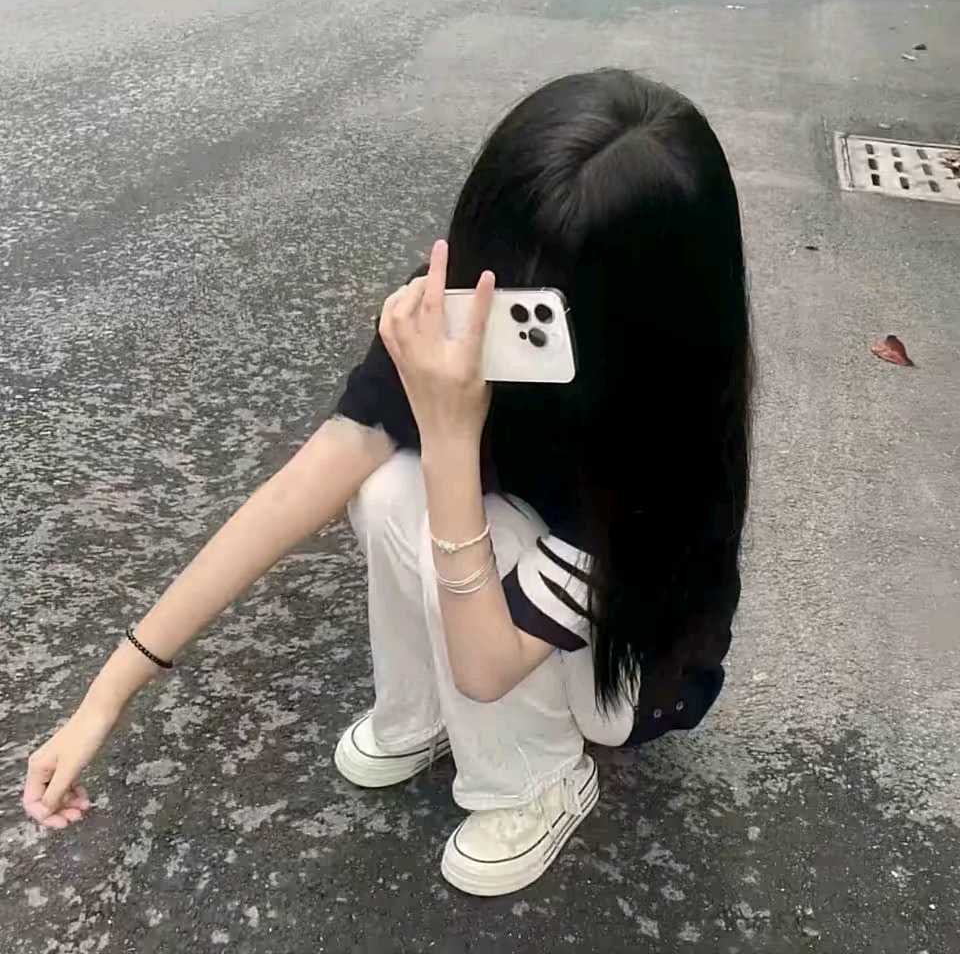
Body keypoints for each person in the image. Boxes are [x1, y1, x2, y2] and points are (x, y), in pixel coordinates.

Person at [22, 69, 752, 897]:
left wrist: (450, 434)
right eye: (485, 261)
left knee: (450, 503)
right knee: (385, 486)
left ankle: (537, 778)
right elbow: (302, 485)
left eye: (536, 302)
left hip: (626, 678)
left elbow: (486, 666)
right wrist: (106, 694)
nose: (491, 307)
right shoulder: (464, 300)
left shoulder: (654, 440)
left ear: (641, 319)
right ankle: (426, 716)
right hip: (515, 594)